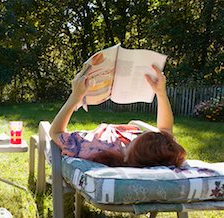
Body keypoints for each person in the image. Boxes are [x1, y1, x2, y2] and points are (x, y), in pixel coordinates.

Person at [49, 65, 187, 167]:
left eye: (138, 137)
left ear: (129, 154)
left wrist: (75, 97)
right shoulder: (149, 152)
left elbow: (56, 132)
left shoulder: (94, 149)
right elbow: (166, 130)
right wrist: (161, 92)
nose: (137, 136)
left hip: (100, 135)